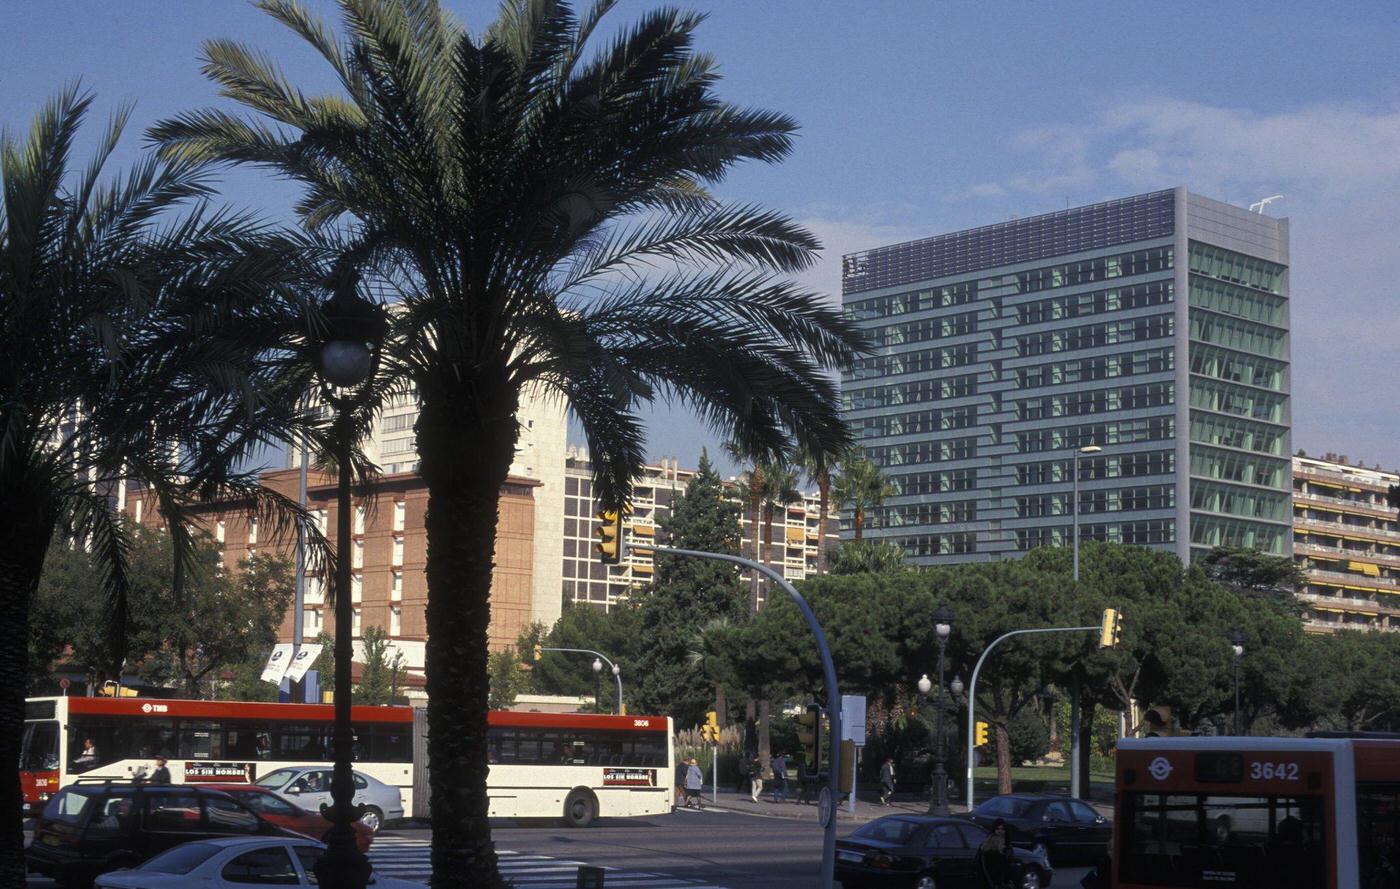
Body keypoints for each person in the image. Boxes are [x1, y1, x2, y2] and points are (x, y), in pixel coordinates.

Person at [975, 819, 1014, 889]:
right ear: (994, 830)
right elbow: (982, 864)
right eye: (998, 829)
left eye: (1002, 829)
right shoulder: (986, 845)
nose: (1000, 831)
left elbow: (1008, 866)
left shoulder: (1007, 846)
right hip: (989, 881)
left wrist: (1008, 882)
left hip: (1001, 882)